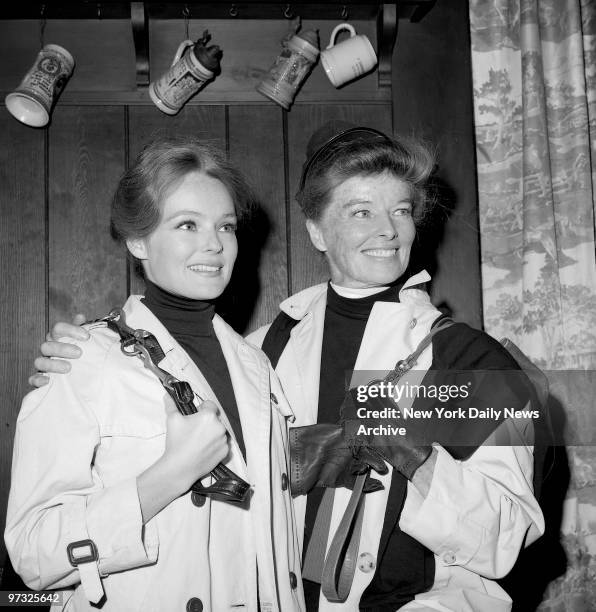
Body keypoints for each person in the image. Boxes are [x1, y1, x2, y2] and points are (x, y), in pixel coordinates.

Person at [29, 123, 544, 612]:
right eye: (361, 211)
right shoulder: (262, 352)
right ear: (316, 230)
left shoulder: (473, 360)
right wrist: (82, 351)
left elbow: (509, 538)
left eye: (402, 210)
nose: (388, 230)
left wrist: (415, 457)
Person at [6, 137, 305, 612]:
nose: (214, 243)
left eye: (225, 226)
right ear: (137, 239)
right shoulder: (82, 360)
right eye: (188, 224)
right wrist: (167, 477)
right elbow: (31, 551)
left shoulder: (258, 366)